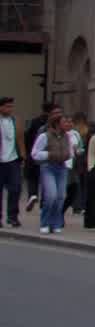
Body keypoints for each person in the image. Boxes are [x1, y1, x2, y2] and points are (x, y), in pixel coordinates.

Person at [29, 108, 77, 234]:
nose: (67, 124)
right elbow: (34, 153)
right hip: (48, 167)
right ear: (57, 123)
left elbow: (71, 152)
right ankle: (44, 222)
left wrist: (69, 155)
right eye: (64, 121)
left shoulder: (68, 136)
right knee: (51, 196)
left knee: (61, 197)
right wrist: (49, 154)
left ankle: (55, 223)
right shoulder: (45, 136)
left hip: (62, 168)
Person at [0, 95, 21, 228]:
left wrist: (22, 155)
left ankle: (12, 217)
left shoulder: (15, 120)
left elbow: (20, 139)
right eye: (7, 106)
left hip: (13, 160)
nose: (10, 109)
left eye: (11, 106)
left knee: (15, 188)